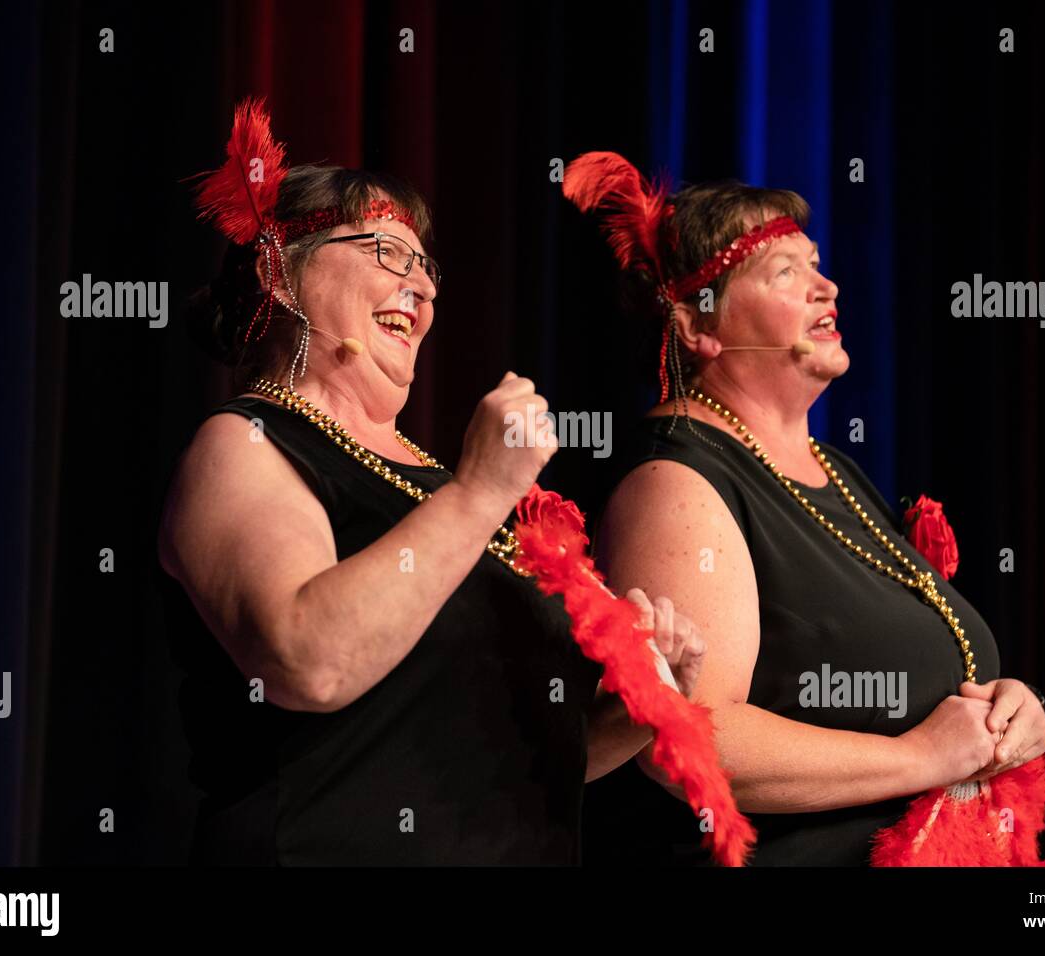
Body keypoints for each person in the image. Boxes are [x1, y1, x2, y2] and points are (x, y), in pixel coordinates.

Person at [156, 104, 705, 865]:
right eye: (386, 251)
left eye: (427, 268)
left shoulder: (439, 491)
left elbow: (528, 760)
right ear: (278, 273)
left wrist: (647, 700)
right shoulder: (244, 444)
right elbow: (304, 660)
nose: (422, 288)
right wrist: (481, 493)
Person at [565, 152, 1045, 865]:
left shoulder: (835, 471)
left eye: (815, 264)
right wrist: (922, 757)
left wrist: (1012, 712)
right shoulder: (675, 484)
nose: (827, 286)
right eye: (785, 272)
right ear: (699, 327)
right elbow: (696, 739)